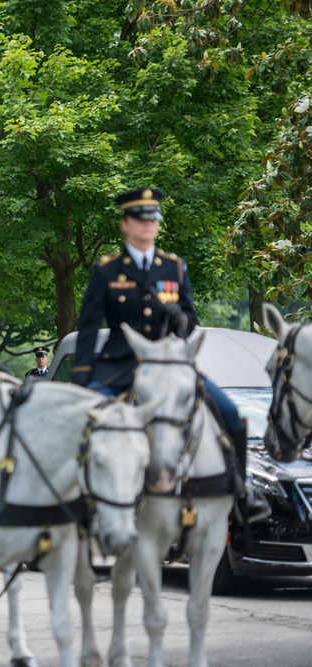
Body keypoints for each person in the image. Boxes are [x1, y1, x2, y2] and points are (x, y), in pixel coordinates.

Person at [71, 187, 268, 521]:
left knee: (230, 414)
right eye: (140, 219)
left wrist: (181, 318)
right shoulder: (107, 270)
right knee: (83, 422)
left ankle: (240, 491)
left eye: (153, 219)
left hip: (169, 365)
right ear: (125, 224)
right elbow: (88, 328)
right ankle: (79, 500)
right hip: (121, 365)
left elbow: (190, 320)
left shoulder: (174, 268)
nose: (148, 225)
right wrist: (82, 379)